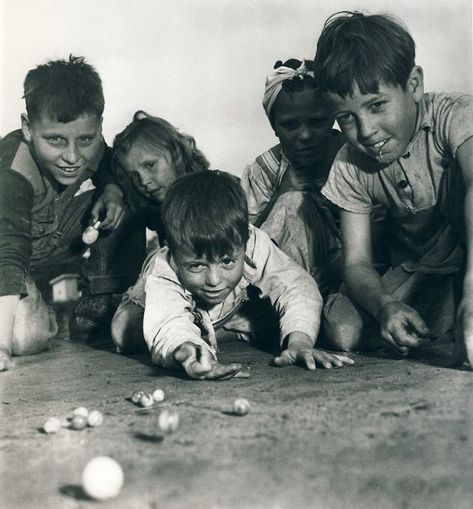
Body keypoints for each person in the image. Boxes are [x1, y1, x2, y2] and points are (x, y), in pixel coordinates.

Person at [312, 11, 473, 362]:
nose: (365, 130)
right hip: (423, 271)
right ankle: (442, 317)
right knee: (343, 330)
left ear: (414, 85)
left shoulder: (456, 116)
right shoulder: (349, 163)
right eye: (347, 117)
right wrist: (385, 306)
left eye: (376, 105)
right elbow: (356, 263)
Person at [111, 170, 354, 379]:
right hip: (153, 306)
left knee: (285, 315)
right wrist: (188, 354)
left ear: (245, 241)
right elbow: (167, 323)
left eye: (227, 261)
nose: (214, 280)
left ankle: (214, 328)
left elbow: (296, 286)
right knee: (125, 331)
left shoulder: (253, 241)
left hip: (225, 309)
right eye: (196, 266)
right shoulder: (164, 267)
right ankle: (207, 332)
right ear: (173, 252)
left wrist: (300, 342)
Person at [0, 55, 145, 370]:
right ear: (28, 127)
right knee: (23, 339)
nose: (72, 156)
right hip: (8, 258)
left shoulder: (89, 148)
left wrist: (112, 190)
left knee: (132, 191)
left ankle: (104, 302)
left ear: (98, 128)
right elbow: (8, 254)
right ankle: (45, 311)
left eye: (85, 139)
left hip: (50, 245)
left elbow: (108, 163)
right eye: (55, 140)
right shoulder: (13, 169)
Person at [240, 59, 345, 296]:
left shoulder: (352, 157)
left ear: (332, 117)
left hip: (346, 269)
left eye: (316, 122)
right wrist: (282, 193)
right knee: (290, 203)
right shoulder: (264, 169)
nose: (305, 135)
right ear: (274, 126)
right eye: (290, 125)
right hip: (277, 279)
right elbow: (243, 243)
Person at [111, 110, 210, 244]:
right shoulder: (155, 208)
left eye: (150, 165)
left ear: (176, 153)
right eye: (134, 175)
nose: (144, 181)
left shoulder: (214, 194)